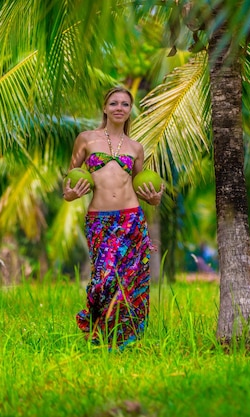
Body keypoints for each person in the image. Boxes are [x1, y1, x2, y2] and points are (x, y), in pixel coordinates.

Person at [63, 86, 164, 350]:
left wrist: (154, 199)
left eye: (125, 104)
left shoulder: (136, 147)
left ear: (130, 111)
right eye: (114, 103)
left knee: (130, 280)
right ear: (105, 107)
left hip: (132, 220)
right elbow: (69, 183)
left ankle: (124, 340)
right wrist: (71, 194)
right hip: (100, 220)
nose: (119, 108)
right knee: (103, 279)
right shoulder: (86, 139)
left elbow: (142, 186)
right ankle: (98, 332)